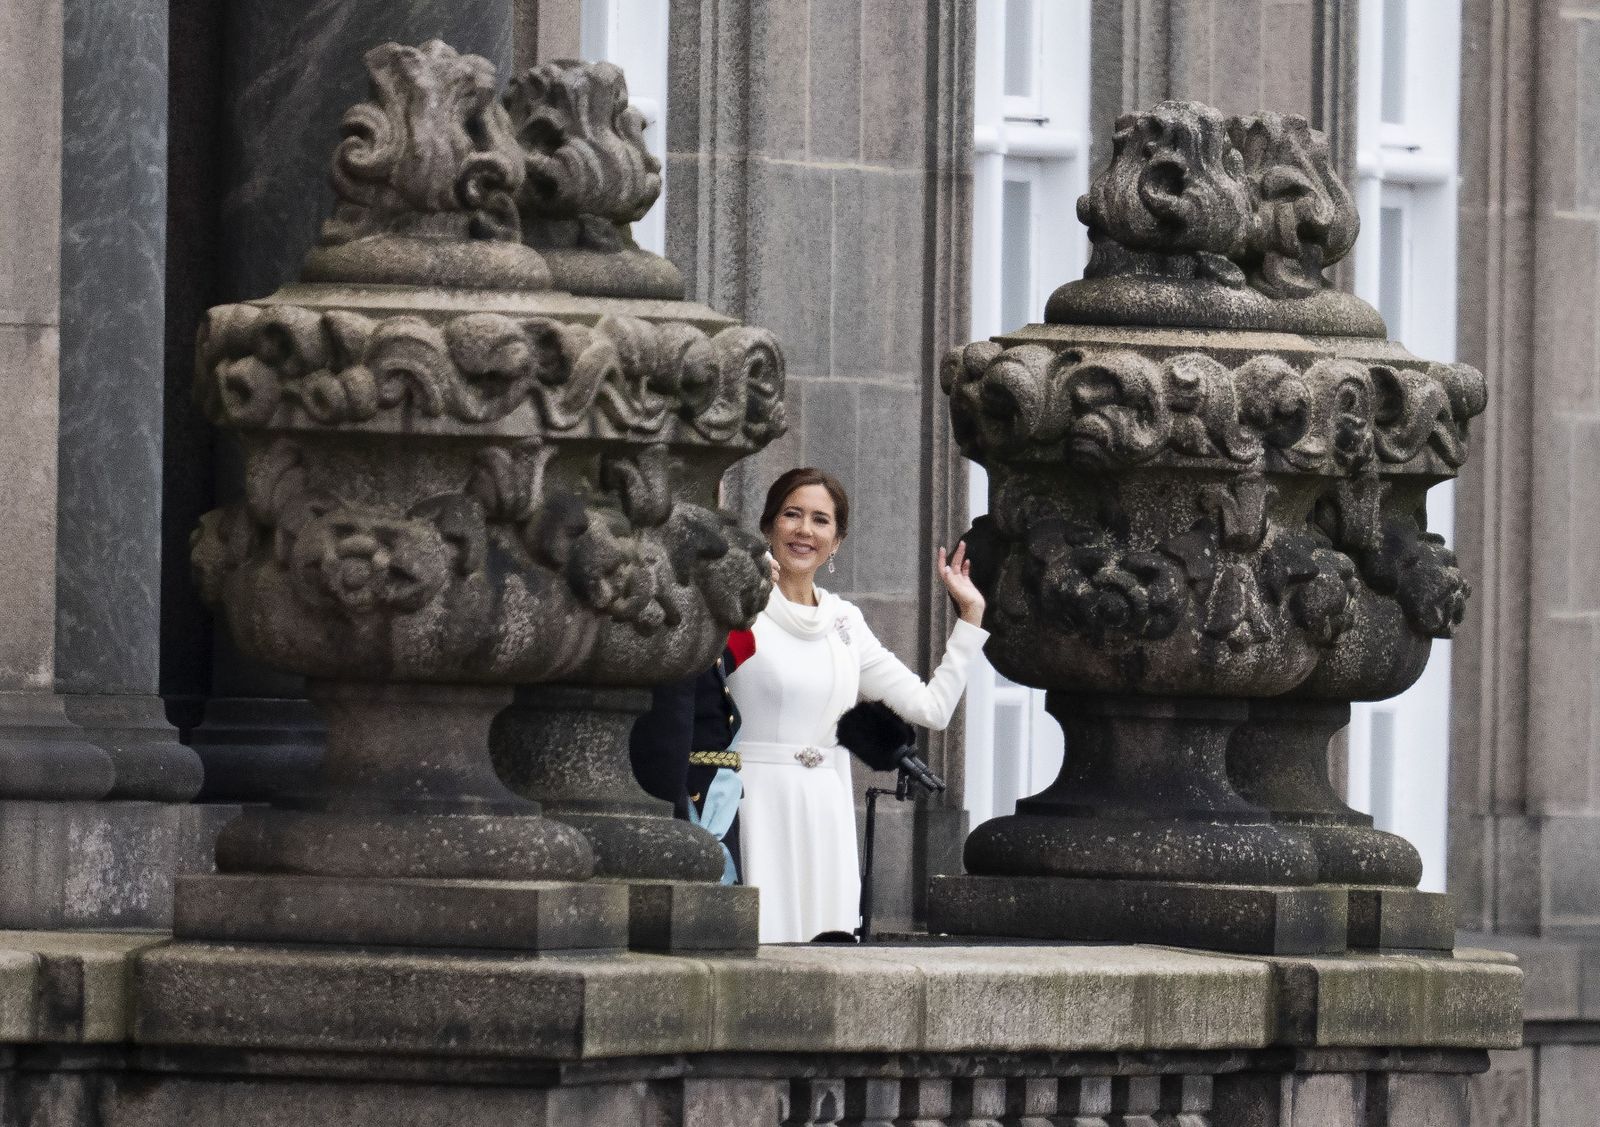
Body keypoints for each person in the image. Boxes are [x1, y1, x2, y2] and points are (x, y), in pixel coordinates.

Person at [728, 467, 988, 943]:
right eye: (792, 515)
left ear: (837, 541)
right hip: (753, 803)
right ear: (769, 526)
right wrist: (741, 595)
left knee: (826, 947)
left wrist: (969, 620)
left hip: (826, 805)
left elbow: (931, 708)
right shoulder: (741, 610)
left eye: (821, 520)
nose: (805, 530)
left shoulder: (844, 621)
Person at [628, 629, 756, 883]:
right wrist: (680, 814)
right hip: (695, 800)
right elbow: (670, 736)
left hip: (714, 795)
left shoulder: (706, 641)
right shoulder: (681, 638)